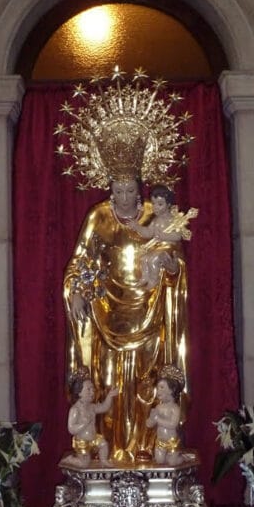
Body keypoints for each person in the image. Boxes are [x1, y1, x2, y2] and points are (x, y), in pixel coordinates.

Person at [64, 177, 188, 464]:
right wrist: (76, 292)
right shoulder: (98, 216)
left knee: (148, 383)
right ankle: (109, 451)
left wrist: (171, 266)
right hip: (107, 313)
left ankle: (147, 449)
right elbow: (80, 262)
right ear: (110, 189)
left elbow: (176, 259)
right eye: (118, 191)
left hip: (150, 311)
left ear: (139, 189)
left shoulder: (156, 213)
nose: (124, 197)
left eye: (130, 190)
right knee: (107, 382)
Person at [127, 184, 198, 288]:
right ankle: (145, 278)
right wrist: (137, 227)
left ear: (168, 204)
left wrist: (164, 236)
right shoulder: (155, 221)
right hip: (158, 247)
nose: (155, 207)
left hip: (169, 248)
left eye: (160, 204)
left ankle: (153, 280)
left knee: (153, 259)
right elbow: (148, 233)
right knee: (144, 258)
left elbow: (178, 236)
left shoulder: (173, 220)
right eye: (154, 203)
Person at [67, 367, 117, 466]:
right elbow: (71, 429)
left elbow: (104, 407)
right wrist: (83, 424)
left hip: (94, 438)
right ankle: (70, 460)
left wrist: (110, 396)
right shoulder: (75, 409)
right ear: (79, 392)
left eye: (93, 389)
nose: (92, 392)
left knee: (104, 444)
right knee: (84, 464)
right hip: (82, 441)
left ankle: (103, 460)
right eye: (88, 389)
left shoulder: (92, 407)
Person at [146, 364, 185, 465]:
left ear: (172, 390)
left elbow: (173, 424)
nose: (158, 391)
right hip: (160, 442)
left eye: (162, 387)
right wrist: (151, 419)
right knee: (159, 461)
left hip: (172, 442)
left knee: (172, 462)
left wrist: (157, 419)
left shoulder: (175, 408)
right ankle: (168, 456)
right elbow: (149, 424)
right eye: (158, 388)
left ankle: (181, 457)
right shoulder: (158, 407)